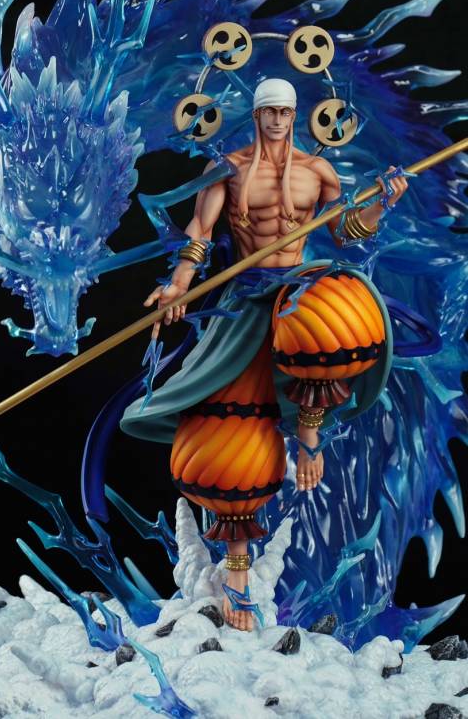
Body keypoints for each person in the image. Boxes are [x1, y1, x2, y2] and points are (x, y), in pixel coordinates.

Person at [120, 78, 408, 631]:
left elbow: (347, 231)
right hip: (245, 298)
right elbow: (200, 233)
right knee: (228, 428)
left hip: (297, 293)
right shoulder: (227, 170)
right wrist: (179, 284)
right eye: (269, 111)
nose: (277, 119)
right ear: (256, 115)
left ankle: (309, 435)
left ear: (295, 115)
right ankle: (237, 575)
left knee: (331, 326)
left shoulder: (317, 171)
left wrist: (380, 205)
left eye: (285, 111)